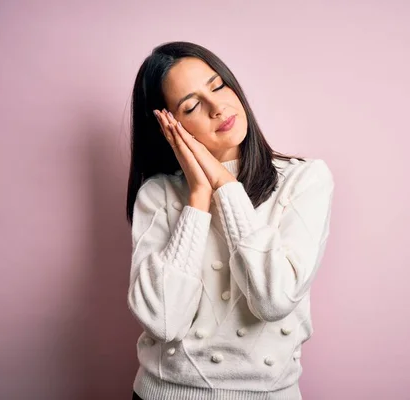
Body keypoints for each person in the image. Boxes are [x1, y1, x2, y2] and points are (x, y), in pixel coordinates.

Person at [125, 41, 335, 400]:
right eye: (191, 105)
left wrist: (224, 184)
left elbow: (274, 299)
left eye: (218, 85)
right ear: (168, 125)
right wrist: (198, 198)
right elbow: (163, 320)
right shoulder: (158, 194)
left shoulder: (306, 180)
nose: (217, 107)